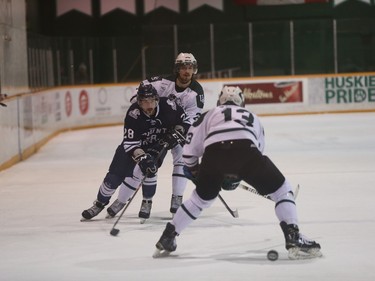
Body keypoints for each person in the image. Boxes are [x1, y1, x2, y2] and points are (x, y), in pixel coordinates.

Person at [153, 86, 322, 260]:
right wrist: (236, 174)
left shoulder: (210, 114)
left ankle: (168, 236)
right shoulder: (253, 117)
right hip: (246, 152)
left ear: (219, 101)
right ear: (242, 102)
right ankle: (293, 235)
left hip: (214, 155)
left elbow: (189, 151)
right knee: (282, 190)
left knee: (200, 200)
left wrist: (196, 170)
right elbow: (258, 151)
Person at [108, 53, 204, 220]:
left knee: (182, 156)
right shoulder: (161, 83)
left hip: (177, 130)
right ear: (177, 69)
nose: (187, 71)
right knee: (145, 164)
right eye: (183, 67)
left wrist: (179, 130)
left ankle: (177, 198)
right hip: (157, 128)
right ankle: (121, 201)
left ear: (194, 69)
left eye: (190, 68)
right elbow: (139, 94)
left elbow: (192, 116)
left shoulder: (196, 92)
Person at [81, 83, 190, 220]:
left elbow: (186, 121)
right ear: (139, 102)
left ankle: (146, 201)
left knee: (151, 169)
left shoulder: (169, 106)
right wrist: (141, 157)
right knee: (113, 178)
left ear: (157, 99)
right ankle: (99, 203)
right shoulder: (134, 114)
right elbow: (130, 142)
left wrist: (178, 131)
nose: (149, 106)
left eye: (151, 101)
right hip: (134, 147)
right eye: (144, 102)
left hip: (157, 145)